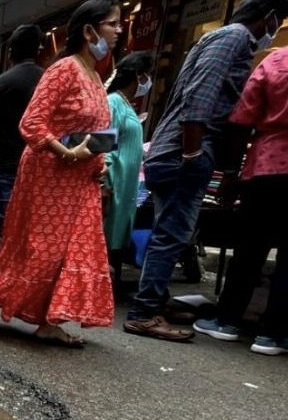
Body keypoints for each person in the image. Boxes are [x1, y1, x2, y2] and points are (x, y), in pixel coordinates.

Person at [123, 0, 288, 341]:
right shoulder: (234, 39)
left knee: (169, 232)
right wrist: (194, 152)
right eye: (278, 21)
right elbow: (200, 97)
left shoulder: (224, 38)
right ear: (268, 17)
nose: (274, 31)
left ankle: (151, 303)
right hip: (182, 152)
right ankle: (145, 312)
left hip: (176, 151)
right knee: (172, 234)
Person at [0, 0, 121, 346]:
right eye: (113, 24)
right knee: (42, 250)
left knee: (77, 250)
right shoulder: (64, 69)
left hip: (82, 181)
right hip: (50, 175)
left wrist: (99, 161)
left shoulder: (95, 76)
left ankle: (50, 319)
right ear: (89, 31)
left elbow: (95, 132)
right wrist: (67, 152)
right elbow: (32, 122)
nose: (118, 31)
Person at [193, 47, 288, 355]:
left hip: (267, 164)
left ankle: (227, 320)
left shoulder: (277, 60)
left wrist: (230, 172)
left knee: (249, 248)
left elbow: (241, 118)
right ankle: (273, 334)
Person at [0, 25, 44, 262]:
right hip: (38, 170)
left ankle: (5, 281)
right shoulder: (47, 81)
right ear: (38, 49)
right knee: (31, 234)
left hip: (4, 167)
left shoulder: (1, 83)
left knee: (9, 231)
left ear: (10, 52)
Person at [102, 52, 154, 278]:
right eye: (146, 75)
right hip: (114, 187)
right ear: (137, 75)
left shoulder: (126, 105)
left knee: (115, 243)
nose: (148, 81)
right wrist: (104, 182)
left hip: (125, 189)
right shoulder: (113, 102)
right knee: (106, 243)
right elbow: (104, 144)